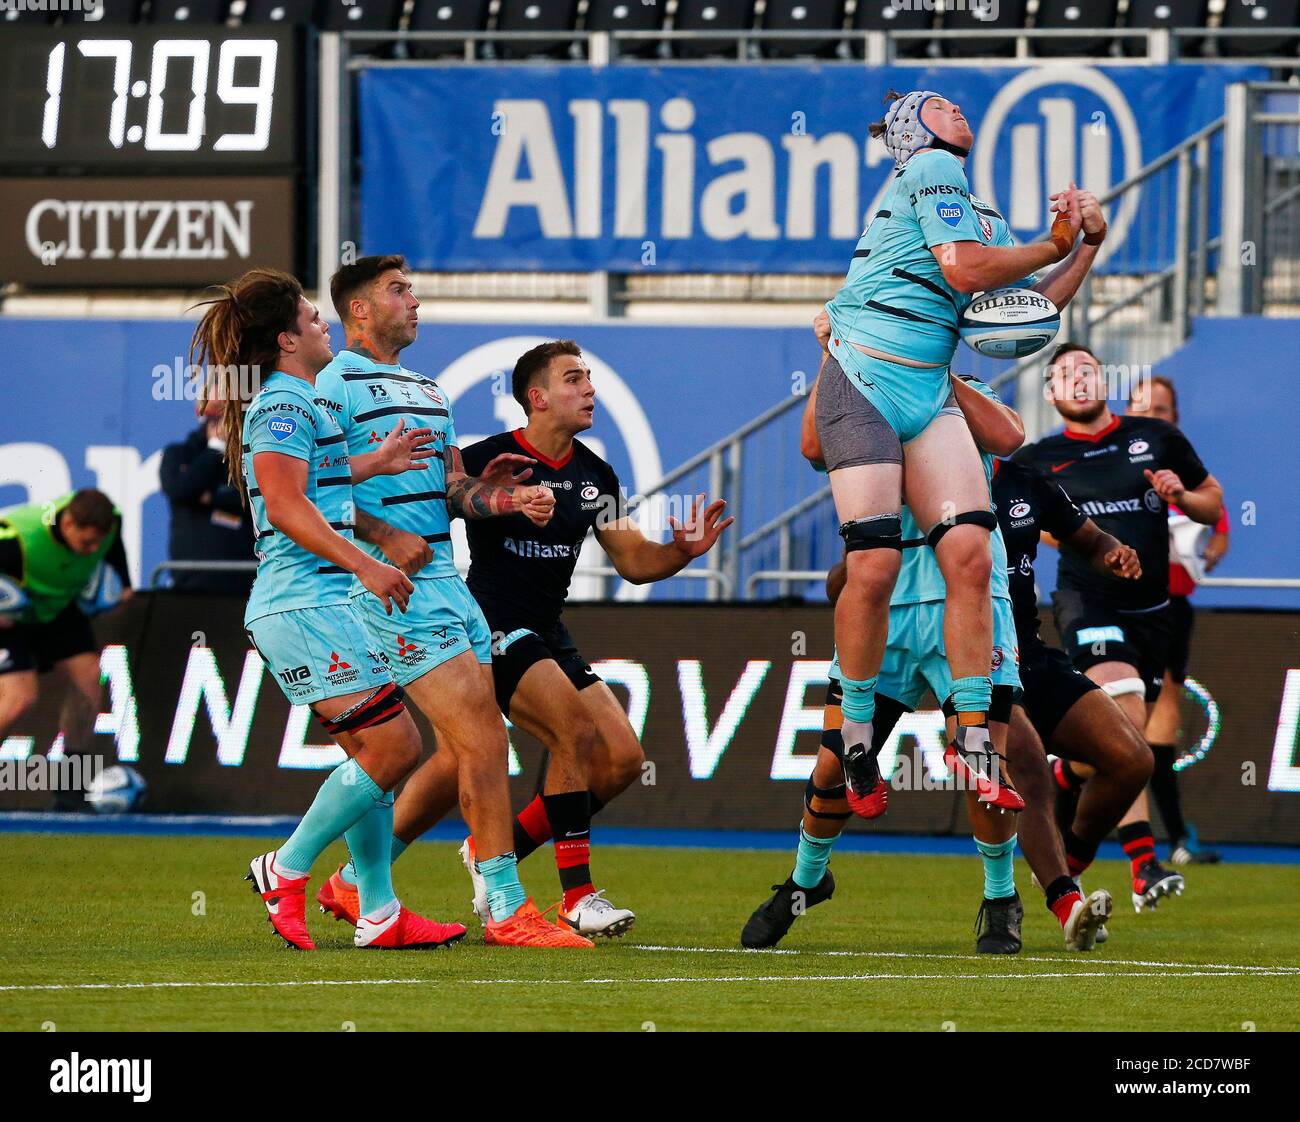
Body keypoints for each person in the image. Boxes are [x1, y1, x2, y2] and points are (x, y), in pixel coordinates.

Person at [818, 88, 1087, 820]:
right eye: (939, 104)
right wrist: (1056, 240)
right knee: (871, 565)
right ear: (914, 131)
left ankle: (972, 741)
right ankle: (857, 736)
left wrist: (1082, 242)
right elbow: (966, 272)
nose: (959, 109)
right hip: (864, 377)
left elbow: (1028, 306)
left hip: (927, 386)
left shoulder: (975, 212)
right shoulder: (930, 173)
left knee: (970, 549)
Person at [309, 255, 593, 949]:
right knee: (481, 738)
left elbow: (454, 491)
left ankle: (351, 885)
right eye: (398, 291)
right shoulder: (331, 386)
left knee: (449, 747)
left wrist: (503, 497)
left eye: (412, 289)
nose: (415, 301)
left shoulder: (428, 390)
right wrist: (379, 536)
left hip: (445, 583)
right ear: (360, 311)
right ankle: (504, 908)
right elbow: (302, 492)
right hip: (387, 587)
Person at [195, 265, 465, 952]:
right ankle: (283, 866)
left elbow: (313, 477)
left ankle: (378, 911)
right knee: (396, 745)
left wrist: (377, 461)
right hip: (308, 602)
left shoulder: (300, 402)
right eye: (314, 319)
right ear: (288, 339)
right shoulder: (284, 404)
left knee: (373, 755)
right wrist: (367, 562)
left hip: (319, 602)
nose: (324, 326)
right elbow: (284, 505)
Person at [454, 340, 732, 937]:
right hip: (494, 625)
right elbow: (442, 499)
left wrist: (679, 552)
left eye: (590, 379)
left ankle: (490, 851)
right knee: (573, 732)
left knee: (624, 760)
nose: (589, 390)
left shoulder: (595, 474)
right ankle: (577, 898)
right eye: (573, 379)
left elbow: (633, 560)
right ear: (536, 397)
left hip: (549, 630)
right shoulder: (487, 456)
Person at [1017, 347, 1224, 912]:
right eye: (1063, 375)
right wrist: (1087, 545)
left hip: (1154, 612)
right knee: (1130, 728)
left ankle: (1064, 779)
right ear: (1050, 393)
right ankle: (1128, 867)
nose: (1076, 380)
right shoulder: (1038, 461)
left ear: (1103, 380)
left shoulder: (1156, 438)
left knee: (1107, 755)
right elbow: (1028, 526)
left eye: (1085, 370)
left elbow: (1213, 502)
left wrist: (1182, 496)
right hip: (1088, 604)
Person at [1126, 374, 1226, 864]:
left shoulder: (1187, 472)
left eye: (1161, 409)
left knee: (1159, 723)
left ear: (1175, 419)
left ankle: (1174, 841)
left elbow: (1218, 523)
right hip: (1113, 606)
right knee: (1113, 726)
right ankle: (1066, 829)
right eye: (1141, 405)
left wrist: (1200, 556)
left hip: (1171, 609)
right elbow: (1061, 525)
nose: (1150, 415)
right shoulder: (1107, 465)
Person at [0, 489, 133, 810]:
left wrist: (121, 589)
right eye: (85, 543)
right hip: (11, 613)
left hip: (57, 608)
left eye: (96, 545)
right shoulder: (15, 540)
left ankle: (70, 787)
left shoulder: (108, 525)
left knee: (89, 678)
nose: (91, 551)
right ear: (68, 524)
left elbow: (116, 565)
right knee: (20, 697)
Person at [159, 395, 255, 596]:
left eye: (228, 412)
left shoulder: (250, 457)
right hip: (193, 585)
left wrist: (211, 497)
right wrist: (215, 448)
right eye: (215, 412)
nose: (221, 422)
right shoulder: (179, 453)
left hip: (246, 583)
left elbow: (256, 500)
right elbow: (181, 489)